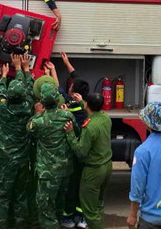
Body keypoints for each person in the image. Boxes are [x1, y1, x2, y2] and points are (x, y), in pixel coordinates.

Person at [0, 55, 37, 228]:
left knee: (1, 198)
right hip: (22, 161)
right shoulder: (28, 107)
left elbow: (0, 91)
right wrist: (22, 68)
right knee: (21, 196)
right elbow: (30, 88)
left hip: (4, 161)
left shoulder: (3, 107)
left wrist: (3, 76)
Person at [28, 85, 78, 229]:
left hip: (47, 172)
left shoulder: (38, 121)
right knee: (58, 204)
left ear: (41, 102)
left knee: (45, 208)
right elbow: (76, 131)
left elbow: (28, 129)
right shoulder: (67, 116)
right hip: (64, 169)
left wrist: (37, 114)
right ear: (57, 99)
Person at [63, 93, 112, 229]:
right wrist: (82, 101)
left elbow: (81, 151)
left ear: (87, 105)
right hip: (107, 167)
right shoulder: (105, 118)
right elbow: (92, 107)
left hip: (93, 171)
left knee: (89, 210)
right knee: (98, 204)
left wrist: (70, 134)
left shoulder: (89, 127)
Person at [59, 52, 90, 227]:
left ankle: (67, 218)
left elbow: (57, 89)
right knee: (81, 186)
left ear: (73, 93)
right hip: (83, 154)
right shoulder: (86, 105)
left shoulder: (69, 107)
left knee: (70, 186)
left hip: (72, 152)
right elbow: (78, 80)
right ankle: (82, 218)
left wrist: (52, 72)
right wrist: (68, 64)